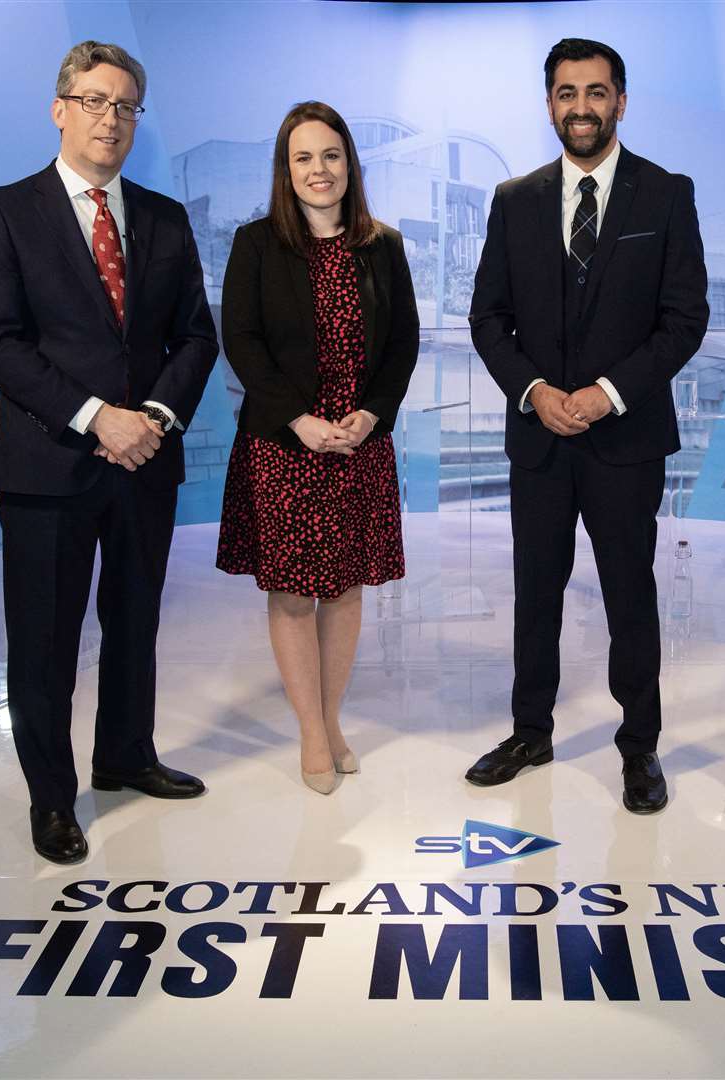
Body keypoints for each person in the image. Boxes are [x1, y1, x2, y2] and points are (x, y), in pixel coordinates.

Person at [0, 41, 219, 864]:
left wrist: (146, 416)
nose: (112, 118)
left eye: (127, 106)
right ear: (60, 108)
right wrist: (93, 417)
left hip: (144, 458)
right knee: (44, 638)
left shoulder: (165, 218)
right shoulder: (5, 211)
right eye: (97, 100)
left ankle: (126, 754)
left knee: (136, 620)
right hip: (49, 463)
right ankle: (50, 799)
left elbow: (196, 337)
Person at [466, 38, 709, 813]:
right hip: (540, 438)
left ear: (621, 101)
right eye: (566, 93)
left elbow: (684, 321)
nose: (581, 107)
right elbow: (487, 317)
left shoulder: (666, 195)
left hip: (624, 440)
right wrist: (534, 390)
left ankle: (640, 747)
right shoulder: (514, 199)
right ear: (549, 105)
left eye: (596, 92)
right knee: (535, 591)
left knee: (629, 595)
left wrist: (607, 393)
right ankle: (530, 730)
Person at [216, 101, 418, 794]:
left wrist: (371, 414)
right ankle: (310, 730)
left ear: (349, 163)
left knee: (345, 588)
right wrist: (298, 419)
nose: (319, 169)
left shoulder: (383, 246)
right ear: (285, 169)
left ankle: (332, 719)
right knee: (294, 593)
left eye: (330, 155)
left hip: (358, 444)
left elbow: (402, 345)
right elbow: (241, 343)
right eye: (303, 157)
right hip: (285, 444)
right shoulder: (256, 245)